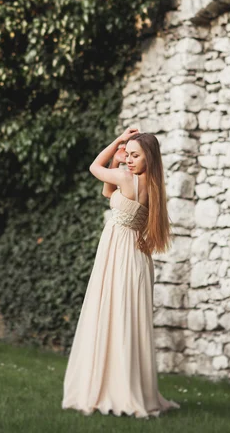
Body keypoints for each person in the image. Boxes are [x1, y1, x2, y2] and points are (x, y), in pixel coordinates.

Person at [61, 127, 181, 419]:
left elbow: (94, 168)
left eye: (135, 155)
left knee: (112, 314)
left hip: (118, 253)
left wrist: (116, 141)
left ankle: (110, 384)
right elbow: (107, 192)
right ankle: (127, 384)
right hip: (137, 257)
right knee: (128, 318)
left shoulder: (128, 179)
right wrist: (119, 157)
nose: (128, 160)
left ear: (149, 157)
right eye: (128, 155)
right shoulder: (153, 185)